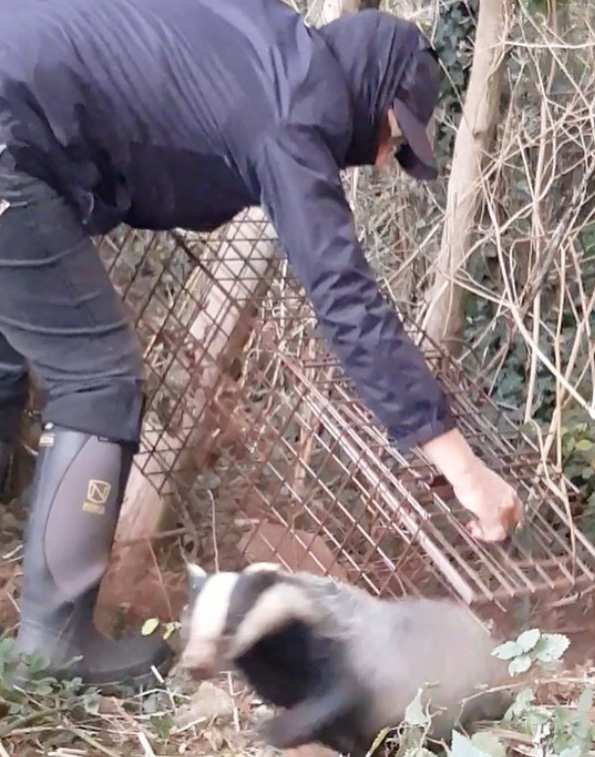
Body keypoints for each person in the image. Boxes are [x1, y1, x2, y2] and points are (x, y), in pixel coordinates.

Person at [0, 0, 524, 691]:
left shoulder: (262, 42)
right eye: (393, 140)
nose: (376, 159)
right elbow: (345, 299)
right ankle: (53, 652)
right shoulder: (294, 112)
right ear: (371, 96)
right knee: (97, 378)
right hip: (15, 130)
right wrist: (460, 465)